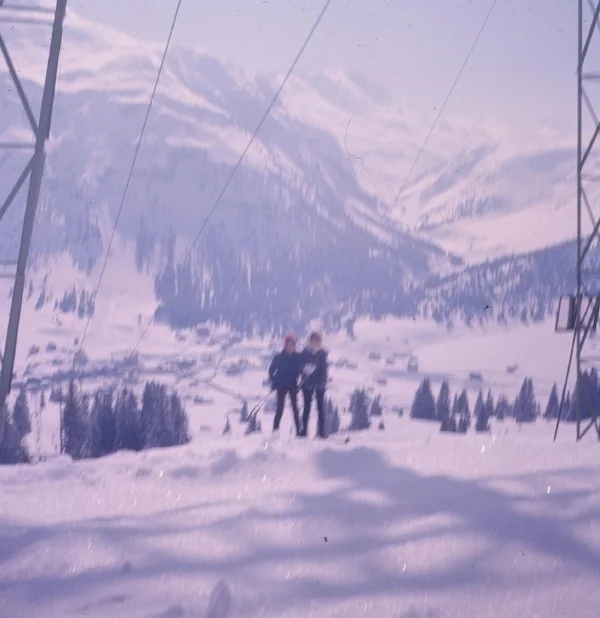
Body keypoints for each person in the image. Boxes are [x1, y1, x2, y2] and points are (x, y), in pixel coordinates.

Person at [268, 332, 302, 435]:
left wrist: (300, 383)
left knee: (295, 409)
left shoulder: (297, 357)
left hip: (292, 385)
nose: (292, 346)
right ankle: (275, 431)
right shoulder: (278, 357)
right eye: (290, 344)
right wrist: (274, 381)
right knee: (280, 408)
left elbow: (302, 371)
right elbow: (271, 370)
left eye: (294, 344)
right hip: (281, 385)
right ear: (286, 345)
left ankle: (298, 432)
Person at [299, 331, 329, 438]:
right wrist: (305, 371)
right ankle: (304, 430)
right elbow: (300, 367)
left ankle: (321, 431)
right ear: (310, 341)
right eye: (313, 341)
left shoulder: (322, 354)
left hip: (319, 384)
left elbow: (324, 369)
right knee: (307, 408)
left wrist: (322, 382)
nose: (315, 343)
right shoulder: (304, 353)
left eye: (317, 341)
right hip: (307, 384)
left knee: (320, 408)